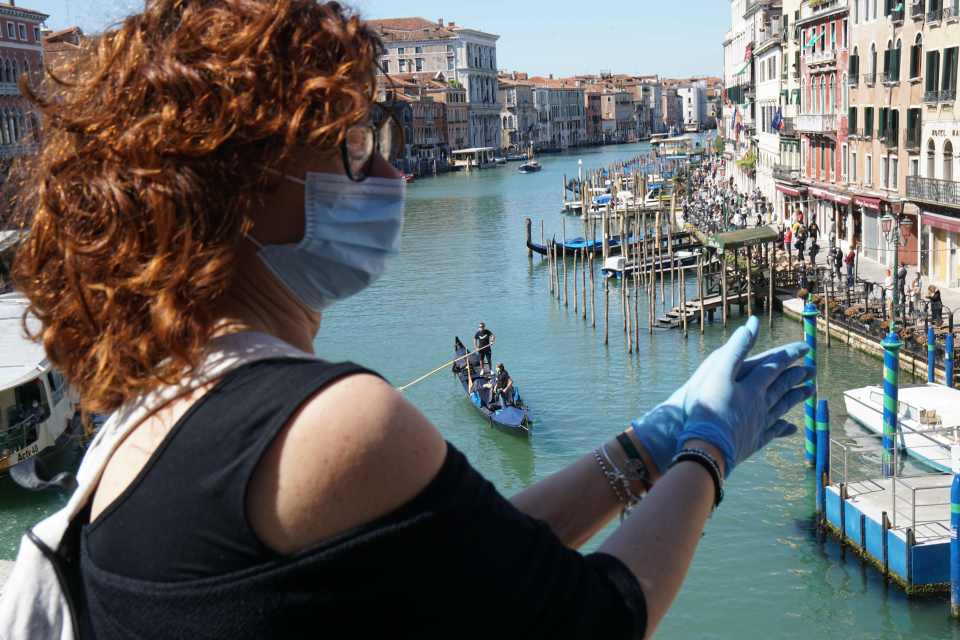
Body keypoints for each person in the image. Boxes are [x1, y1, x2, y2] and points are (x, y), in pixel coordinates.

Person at [1, 4, 814, 637]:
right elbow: (589, 619)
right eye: (355, 144)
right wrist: (706, 454)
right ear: (239, 183)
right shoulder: (326, 424)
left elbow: (470, 563)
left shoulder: (151, 421)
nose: (392, 172)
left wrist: (642, 451)